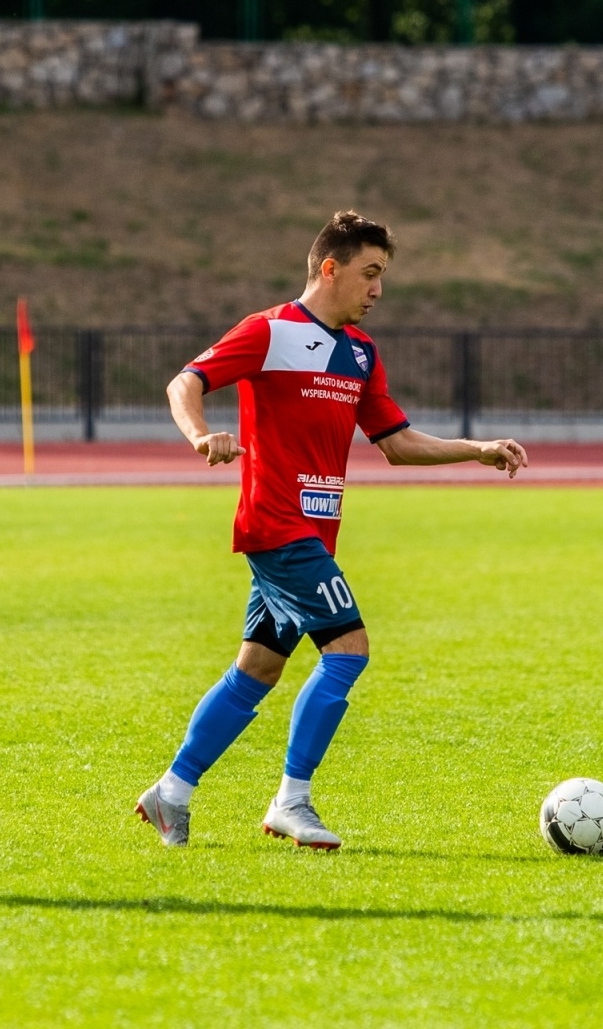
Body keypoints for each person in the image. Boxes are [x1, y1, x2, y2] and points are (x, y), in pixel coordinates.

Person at [135, 211, 528, 850]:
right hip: (278, 525)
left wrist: (475, 449)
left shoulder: (361, 353)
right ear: (330, 268)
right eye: (369, 273)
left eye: (382, 275)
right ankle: (291, 801)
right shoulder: (270, 331)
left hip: (313, 534)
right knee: (349, 650)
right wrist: (202, 435)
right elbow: (186, 382)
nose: (378, 289)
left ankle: (171, 793)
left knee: (257, 669)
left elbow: (396, 442)